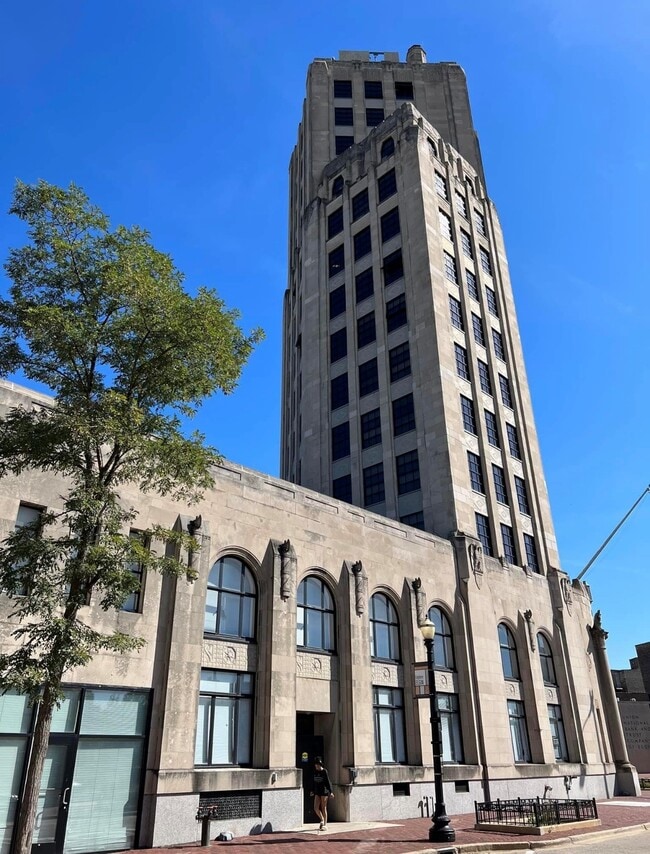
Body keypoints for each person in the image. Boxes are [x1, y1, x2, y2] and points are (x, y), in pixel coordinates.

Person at [310, 756, 333, 830]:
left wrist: (331, 791)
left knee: (323, 807)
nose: (316, 766)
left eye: (317, 764)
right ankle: (322, 819)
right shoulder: (315, 772)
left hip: (324, 791)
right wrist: (312, 790)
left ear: (320, 765)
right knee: (316, 807)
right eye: (315, 764)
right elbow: (313, 782)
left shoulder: (324, 771)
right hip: (317, 791)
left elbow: (328, 782)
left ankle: (325, 824)